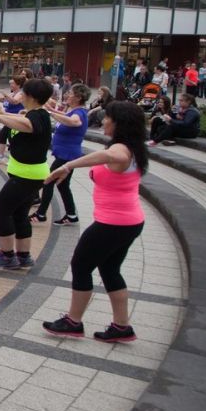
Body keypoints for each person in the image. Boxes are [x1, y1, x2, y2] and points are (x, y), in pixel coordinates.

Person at [42, 101, 148, 342]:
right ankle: (122, 326)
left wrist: (69, 165)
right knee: (110, 270)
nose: (104, 122)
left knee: (81, 265)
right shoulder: (135, 148)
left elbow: (111, 155)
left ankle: (73, 321)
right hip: (128, 221)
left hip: (114, 223)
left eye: (107, 118)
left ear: (119, 123)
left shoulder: (122, 150)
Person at [0, 78, 54, 270]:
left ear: (30, 96)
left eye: (22, 92)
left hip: (27, 176)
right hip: (26, 173)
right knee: (19, 214)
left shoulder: (37, 117)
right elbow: (23, 120)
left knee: (0, 209)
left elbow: (28, 125)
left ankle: (7, 254)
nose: (19, 95)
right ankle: (23, 255)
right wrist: (4, 115)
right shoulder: (35, 113)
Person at [32, 84, 89, 225]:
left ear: (79, 97)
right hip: (64, 154)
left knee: (48, 181)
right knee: (63, 186)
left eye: (70, 93)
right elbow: (65, 116)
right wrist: (49, 108)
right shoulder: (73, 110)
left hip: (67, 155)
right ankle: (71, 215)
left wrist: (50, 113)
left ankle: (41, 214)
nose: (67, 95)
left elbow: (74, 122)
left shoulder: (79, 113)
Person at [0, 75, 26, 163]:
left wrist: (5, 95)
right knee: (3, 135)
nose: (11, 85)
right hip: (8, 118)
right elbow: (4, 100)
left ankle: (13, 158)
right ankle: (1, 155)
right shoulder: (12, 93)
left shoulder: (21, 93)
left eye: (12, 83)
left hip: (15, 119)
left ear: (18, 84)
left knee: (12, 138)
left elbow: (14, 101)